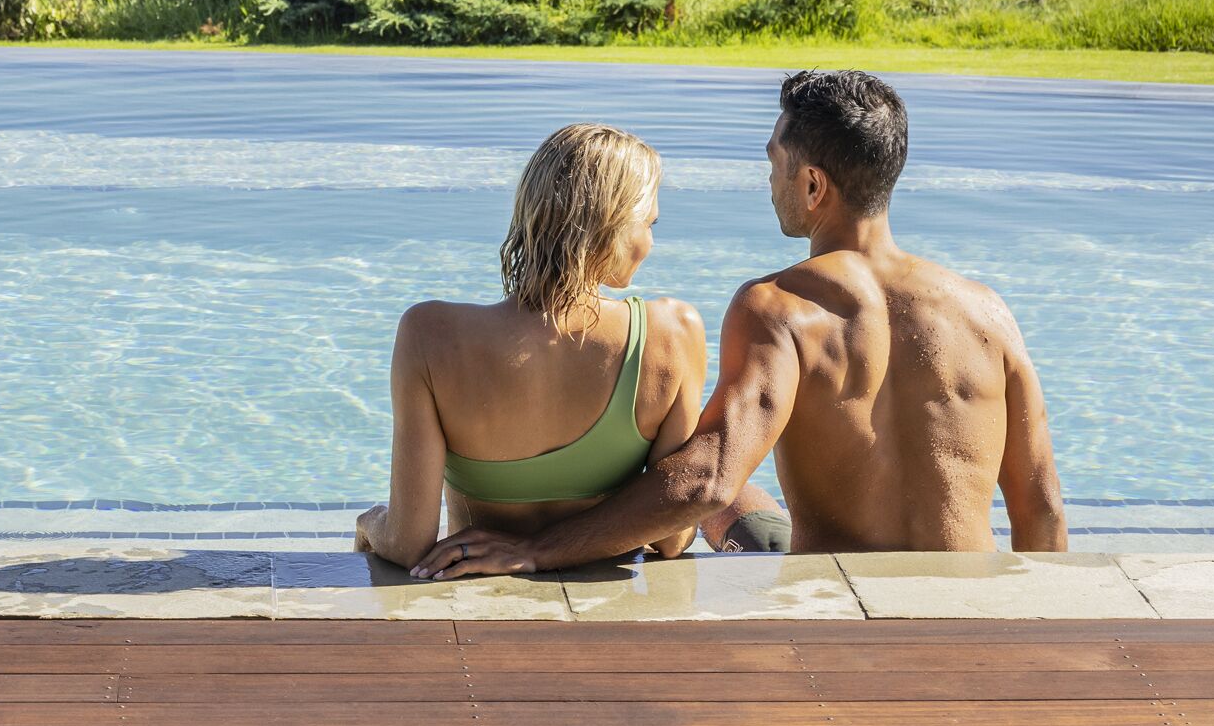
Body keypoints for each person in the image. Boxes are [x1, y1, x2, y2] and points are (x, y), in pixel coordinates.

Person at [413, 69, 1067, 576]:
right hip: (970, 609)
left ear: (813, 186)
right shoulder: (987, 312)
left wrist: (540, 551)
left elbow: (705, 480)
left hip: (841, 612)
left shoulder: (780, 307)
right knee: (733, 490)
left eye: (773, 161)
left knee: (716, 483)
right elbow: (1041, 511)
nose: (768, 178)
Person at [355, 123, 712, 570]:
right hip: (601, 603)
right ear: (615, 225)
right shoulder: (672, 333)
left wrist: (370, 522)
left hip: (475, 593)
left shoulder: (430, 335)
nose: (651, 241)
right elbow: (673, 536)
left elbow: (409, 543)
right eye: (648, 223)